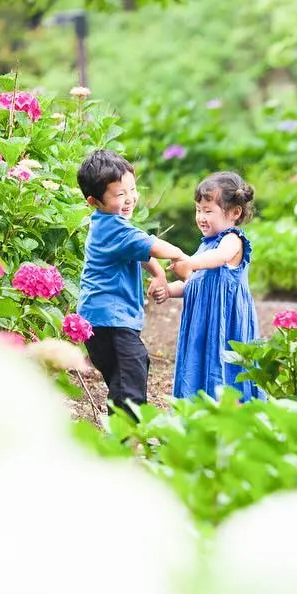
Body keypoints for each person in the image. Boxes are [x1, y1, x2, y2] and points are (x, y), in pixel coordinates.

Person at [74, 148, 183, 419]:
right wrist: (185, 257)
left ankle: (121, 436)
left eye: (132, 190)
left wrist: (158, 275)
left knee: (124, 381)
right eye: (119, 194)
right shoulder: (114, 227)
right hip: (109, 320)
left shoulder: (109, 223)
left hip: (104, 320)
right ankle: (125, 439)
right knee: (131, 373)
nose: (129, 199)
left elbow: (140, 250)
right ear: (94, 201)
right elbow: (153, 247)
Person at [162, 172, 260, 401]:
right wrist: (168, 290)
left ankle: (228, 419)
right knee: (197, 369)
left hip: (225, 325)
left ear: (235, 213)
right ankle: (196, 420)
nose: (200, 217)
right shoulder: (205, 246)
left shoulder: (232, 240)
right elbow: (195, 283)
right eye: (198, 209)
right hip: (202, 327)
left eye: (208, 211)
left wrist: (189, 263)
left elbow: (221, 257)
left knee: (224, 371)